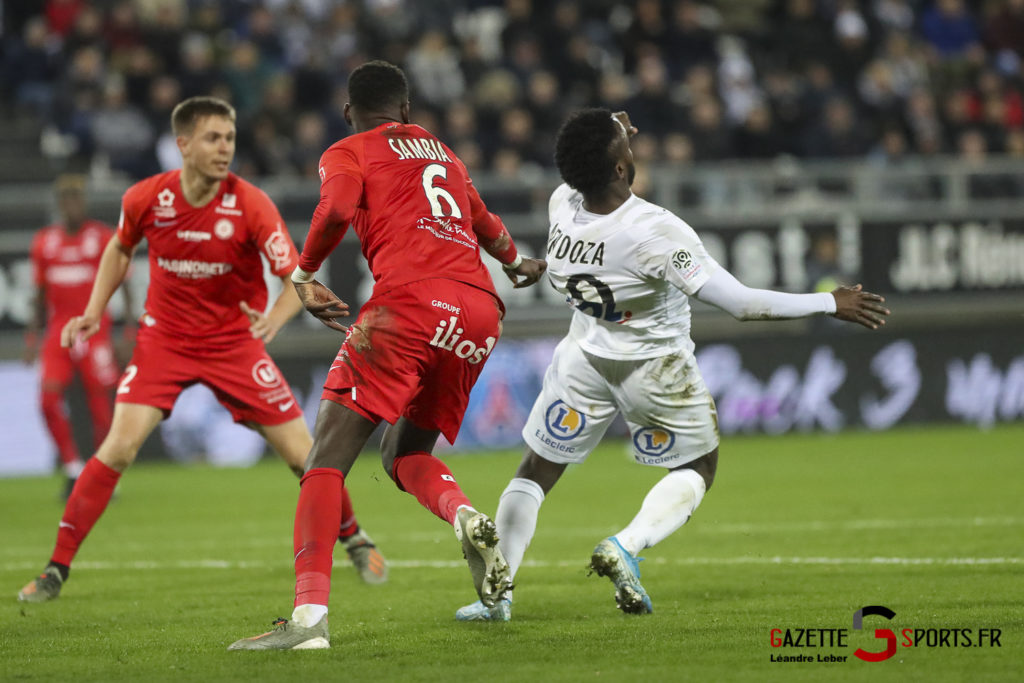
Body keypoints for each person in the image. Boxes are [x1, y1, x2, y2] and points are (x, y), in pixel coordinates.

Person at [455, 108, 891, 621]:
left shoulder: (561, 204)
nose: (633, 150)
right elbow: (742, 304)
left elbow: (579, 160)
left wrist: (609, 132)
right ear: (619, 169)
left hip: (584, 359)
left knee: (536, 469)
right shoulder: (656, 231)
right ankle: (627, 545)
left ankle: (498, 595)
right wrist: (828, 303)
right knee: (697, 467)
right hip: (654, 369)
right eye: (626, 147)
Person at [18, 96, 387, 604]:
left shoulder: (251, 203)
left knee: (306, 457)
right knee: (119, 448)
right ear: (183, 144)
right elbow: (121, 247)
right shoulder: (148, 197)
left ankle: (355, 538)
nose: (225, 149)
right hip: (163, 342)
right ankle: (55, 570)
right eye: (214, 138)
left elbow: (295, 279)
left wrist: (273, 324)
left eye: (230, 139)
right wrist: (92, 309)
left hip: (235, 345)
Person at [229, 60, 546, 650]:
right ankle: (461, 514)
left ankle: (307, 624)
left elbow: (336, 210)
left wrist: (302, 274)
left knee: (324, 458)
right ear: (407, 110)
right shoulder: (444, 154)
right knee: (402, 453)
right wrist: (515, 262)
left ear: (350, 112)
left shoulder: (348, 149)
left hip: (409, 306)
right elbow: (482, 221)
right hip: (479, 313)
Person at [25, 175, 132, 499]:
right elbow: (40, 295)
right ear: (60, 204)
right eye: (66, 199)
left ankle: (101, 473)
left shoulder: (102, 238)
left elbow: (124, 283)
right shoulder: (45, 242)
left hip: (94, 328)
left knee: (102, 405)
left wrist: (128, 330)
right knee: (47, 400)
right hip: (59, 331)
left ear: (83, 202)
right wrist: (32, 337)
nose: (72, 205)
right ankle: (73, 468)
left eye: (77, 198)